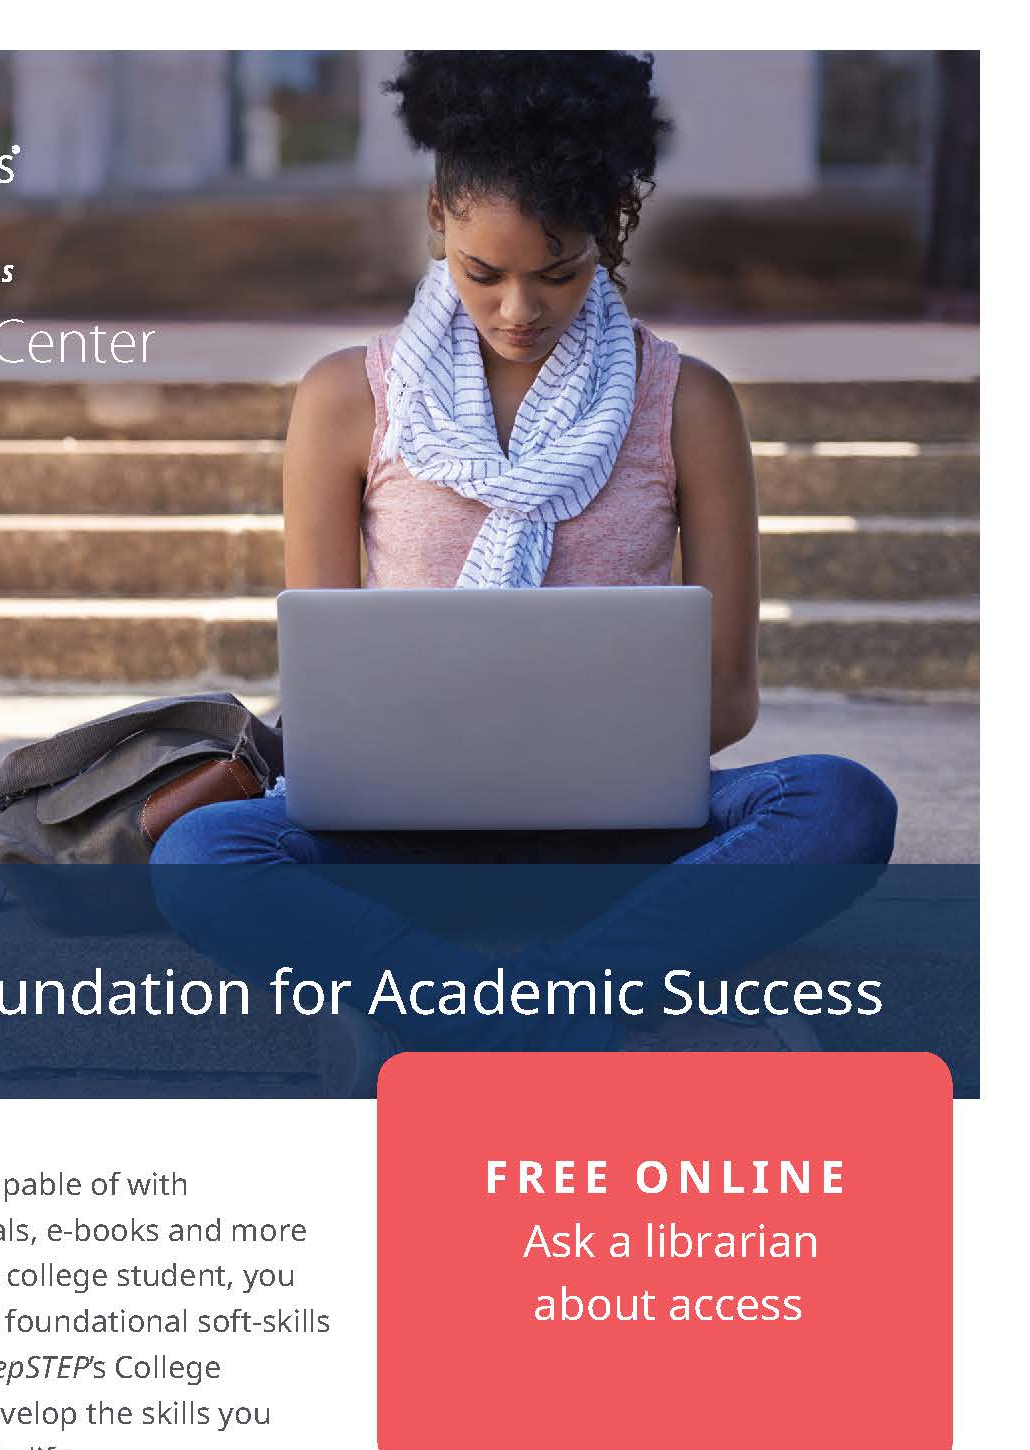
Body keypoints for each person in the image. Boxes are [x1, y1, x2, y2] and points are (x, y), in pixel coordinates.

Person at [150, 50, 897, 1081]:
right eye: (480, 273)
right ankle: (579, 1004)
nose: (515, 310)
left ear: (612, 229)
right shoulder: (343, 400)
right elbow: (322, 695)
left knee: (839, 804)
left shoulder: (687, 404)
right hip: (404, 840)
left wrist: (586, 741)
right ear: (434, 220)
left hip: (619, 839)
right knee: (200, 857)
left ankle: (456, 1014)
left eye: (558, 271)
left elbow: (724, 704)